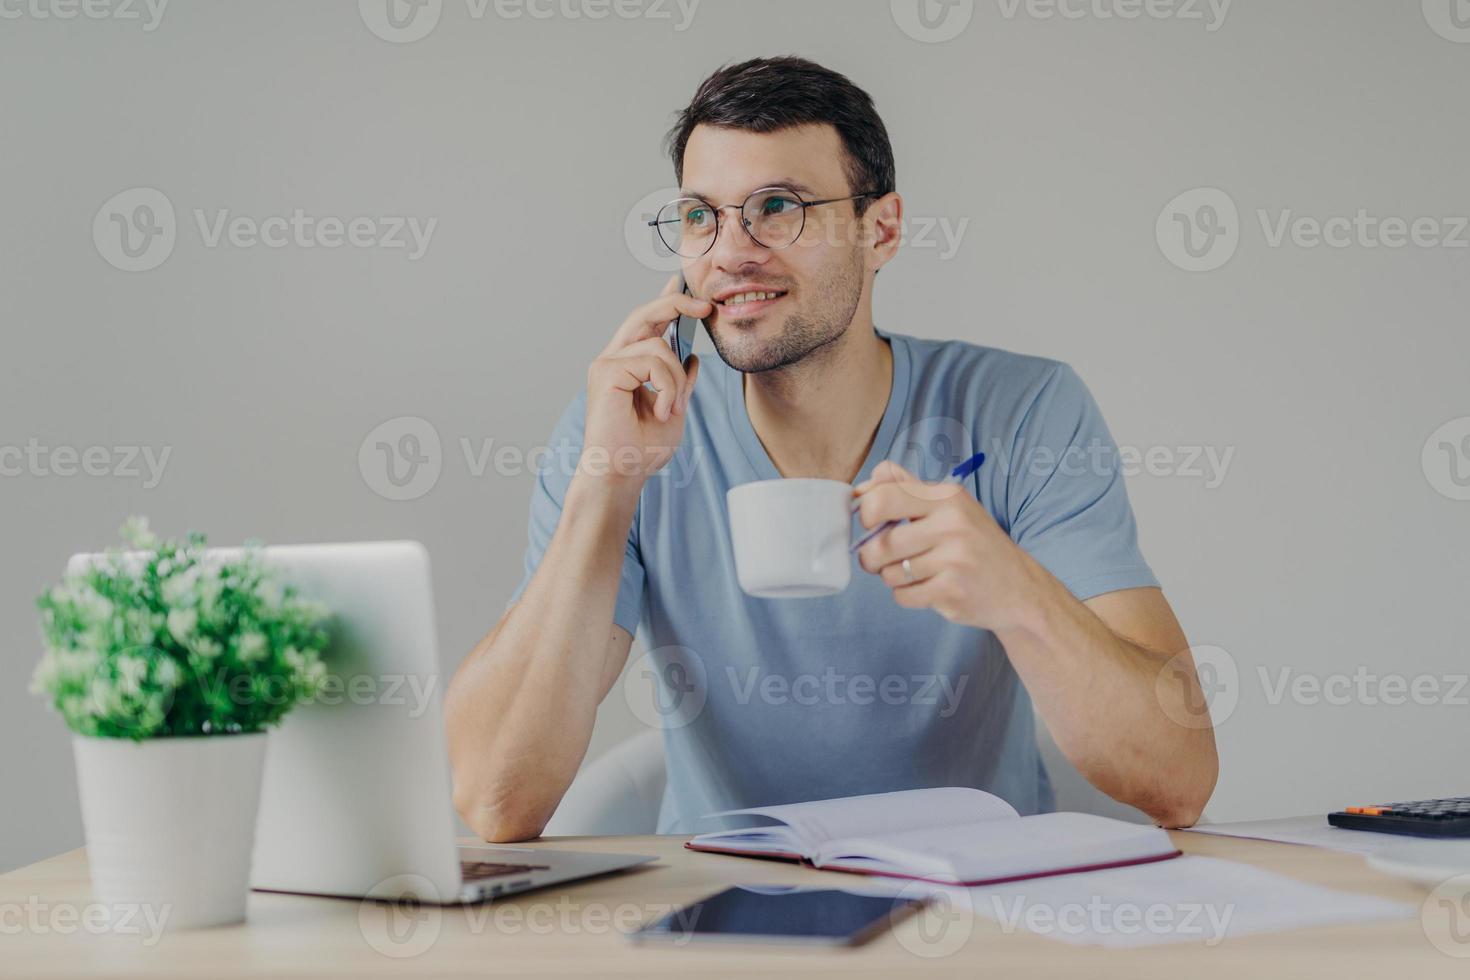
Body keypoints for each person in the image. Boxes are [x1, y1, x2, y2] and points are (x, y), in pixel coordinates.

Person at [446, 56, 1218, 841]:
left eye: (777, 207)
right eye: (700, 215)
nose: (731, 251)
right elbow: (497, 801)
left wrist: (1018, 595)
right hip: (725, 921)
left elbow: (1178, 783)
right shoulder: (622, 429)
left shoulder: (1024, 411)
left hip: (980, 915)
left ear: (879, 229)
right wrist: (606, 488)